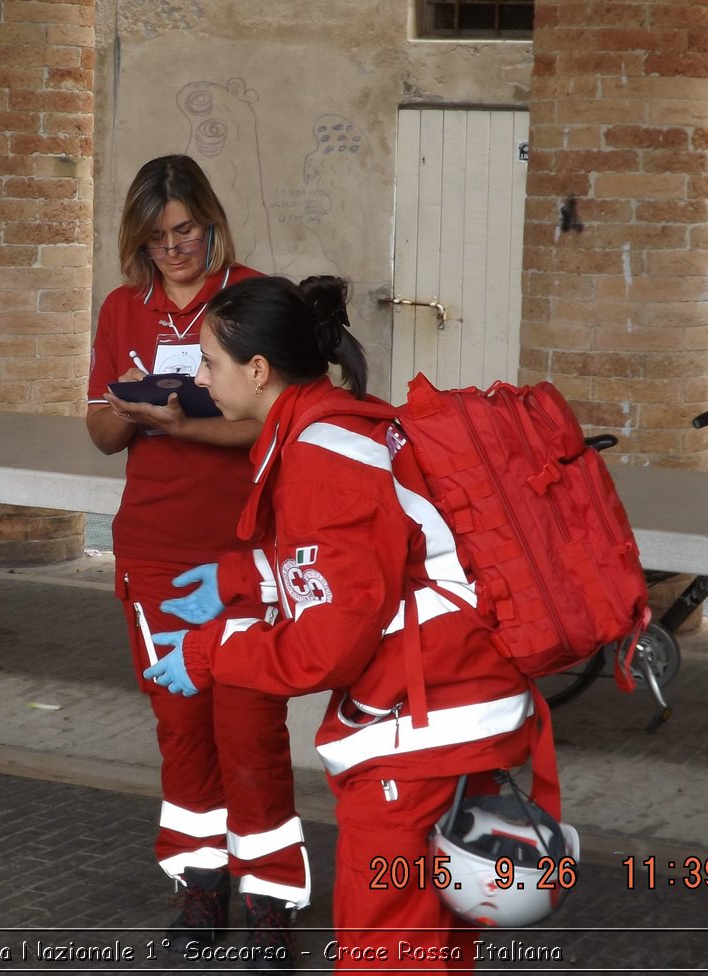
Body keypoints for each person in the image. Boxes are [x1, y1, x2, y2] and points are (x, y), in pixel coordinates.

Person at [144, 274, 543, 972]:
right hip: (455, 707)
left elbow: (326, 645)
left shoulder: (321, 459)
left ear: (258, 371)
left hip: (421, 731)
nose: (201, 375)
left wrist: (209, 655)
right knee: (436, 942)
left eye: (209, 361)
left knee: (386, 947)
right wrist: (240, 578)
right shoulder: (331, 427)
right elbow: (367, 566)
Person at [85, 155, 308, 964]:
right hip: (152, 549)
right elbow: (100, 431)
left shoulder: (251, 298)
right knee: (182, 730)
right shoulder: (123, 308)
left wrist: (185, 426)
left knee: (250, 728)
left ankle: (272, 901)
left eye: (185, 232)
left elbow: (277, 423)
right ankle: (200, 886)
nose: (174, 251)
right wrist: (132, 410)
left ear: (211, 221)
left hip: (246, 549)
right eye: (156, 239)